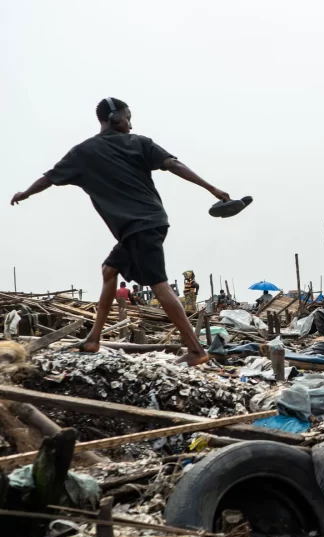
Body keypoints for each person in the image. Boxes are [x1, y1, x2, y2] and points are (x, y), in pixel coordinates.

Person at [10, 98, 229, 366]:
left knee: (158, 284)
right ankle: (93, 339)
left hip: (142, 226)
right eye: (127, 117)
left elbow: (48, 178)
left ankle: (195, 350)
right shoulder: (122, 146)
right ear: (114, 118)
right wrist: (212, 189)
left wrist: (26, 193)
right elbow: (173, 164)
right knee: (109, 270)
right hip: (141, 226)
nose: (131, 123)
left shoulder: (88, 152)